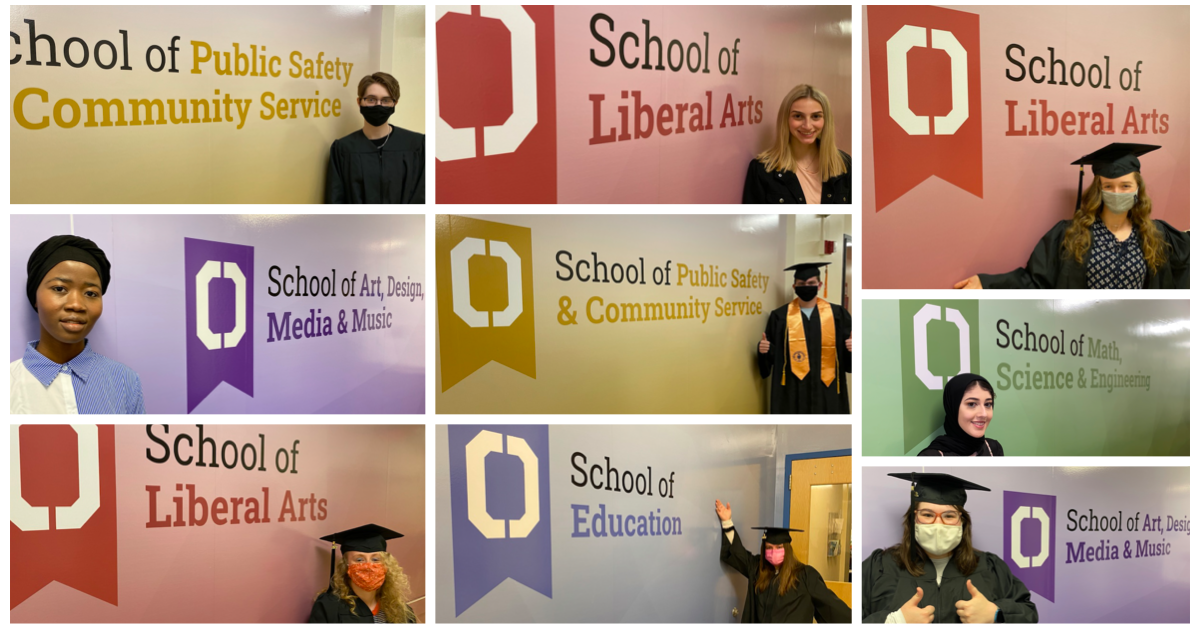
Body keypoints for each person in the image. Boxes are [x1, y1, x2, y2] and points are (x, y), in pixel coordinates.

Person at [955, 143, 1188, 289]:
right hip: (1083, 341)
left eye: (1125, 186)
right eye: (1108, 186)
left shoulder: (1157, 235)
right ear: (1099, 189)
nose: (1117, 193)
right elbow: (1035, 282)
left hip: (1135, 338)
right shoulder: (1070, 234)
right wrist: (987, 283)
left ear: (1138, 189)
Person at [862, 473, 1038, 623]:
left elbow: (1029, 613)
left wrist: (997, 614)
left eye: (949, 515)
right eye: (927, 515)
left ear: (962, 521)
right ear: (913, 519)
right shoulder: (879, 567)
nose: (938, 524)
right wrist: (892, 621)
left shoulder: (990, 567)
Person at [11, 235, 144, 414]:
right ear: (35, 297)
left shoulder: (125, 380)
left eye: (90, 293)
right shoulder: (9, 382)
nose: (76, 304)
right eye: (59, 289)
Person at [715, 500, 850, 623]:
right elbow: (738, 553)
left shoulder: (806, 576)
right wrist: (727, 522)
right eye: (769, 548)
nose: (774, 552)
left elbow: (831, 607)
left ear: (787, 549)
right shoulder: (757, 568)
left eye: (779, 547)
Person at [757, 262, 851, 414]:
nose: (806, 286)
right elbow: (772, 356)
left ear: (819, 285)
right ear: (794, 287)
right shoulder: (780, 316)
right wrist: (764, 351)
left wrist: (852, 349)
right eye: (801, 284)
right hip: (792, 388)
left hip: (827, 387)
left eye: (811, 283)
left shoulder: (837, 315)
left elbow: (848, 357)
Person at [326, 72, 425, 204]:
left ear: (394, 104)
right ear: (359, 101)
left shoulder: (417, 145)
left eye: (386, 100)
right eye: (371, 99)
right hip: (358, 224)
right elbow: (335, 201)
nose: (378, 105)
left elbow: (423, 196)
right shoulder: (343, 149)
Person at [743, 84, 851, 204]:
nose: (807, 126)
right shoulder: (762, 169)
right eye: (798, 116)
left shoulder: (845, 164)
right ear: (786, 119)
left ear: (825, 120)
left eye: (815, 116)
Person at [310, 524, 418, 623]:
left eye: (375, 559)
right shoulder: (329, 606)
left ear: (386, 565)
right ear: (346, 565)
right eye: (359, 560)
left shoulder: (397, 607)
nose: (368, 566)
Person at [918, 374, 1003, 457]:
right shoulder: (931, 457)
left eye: (988, 404)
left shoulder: (993, 449)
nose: (983, 414)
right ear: (953, 408)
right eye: (971, 404)